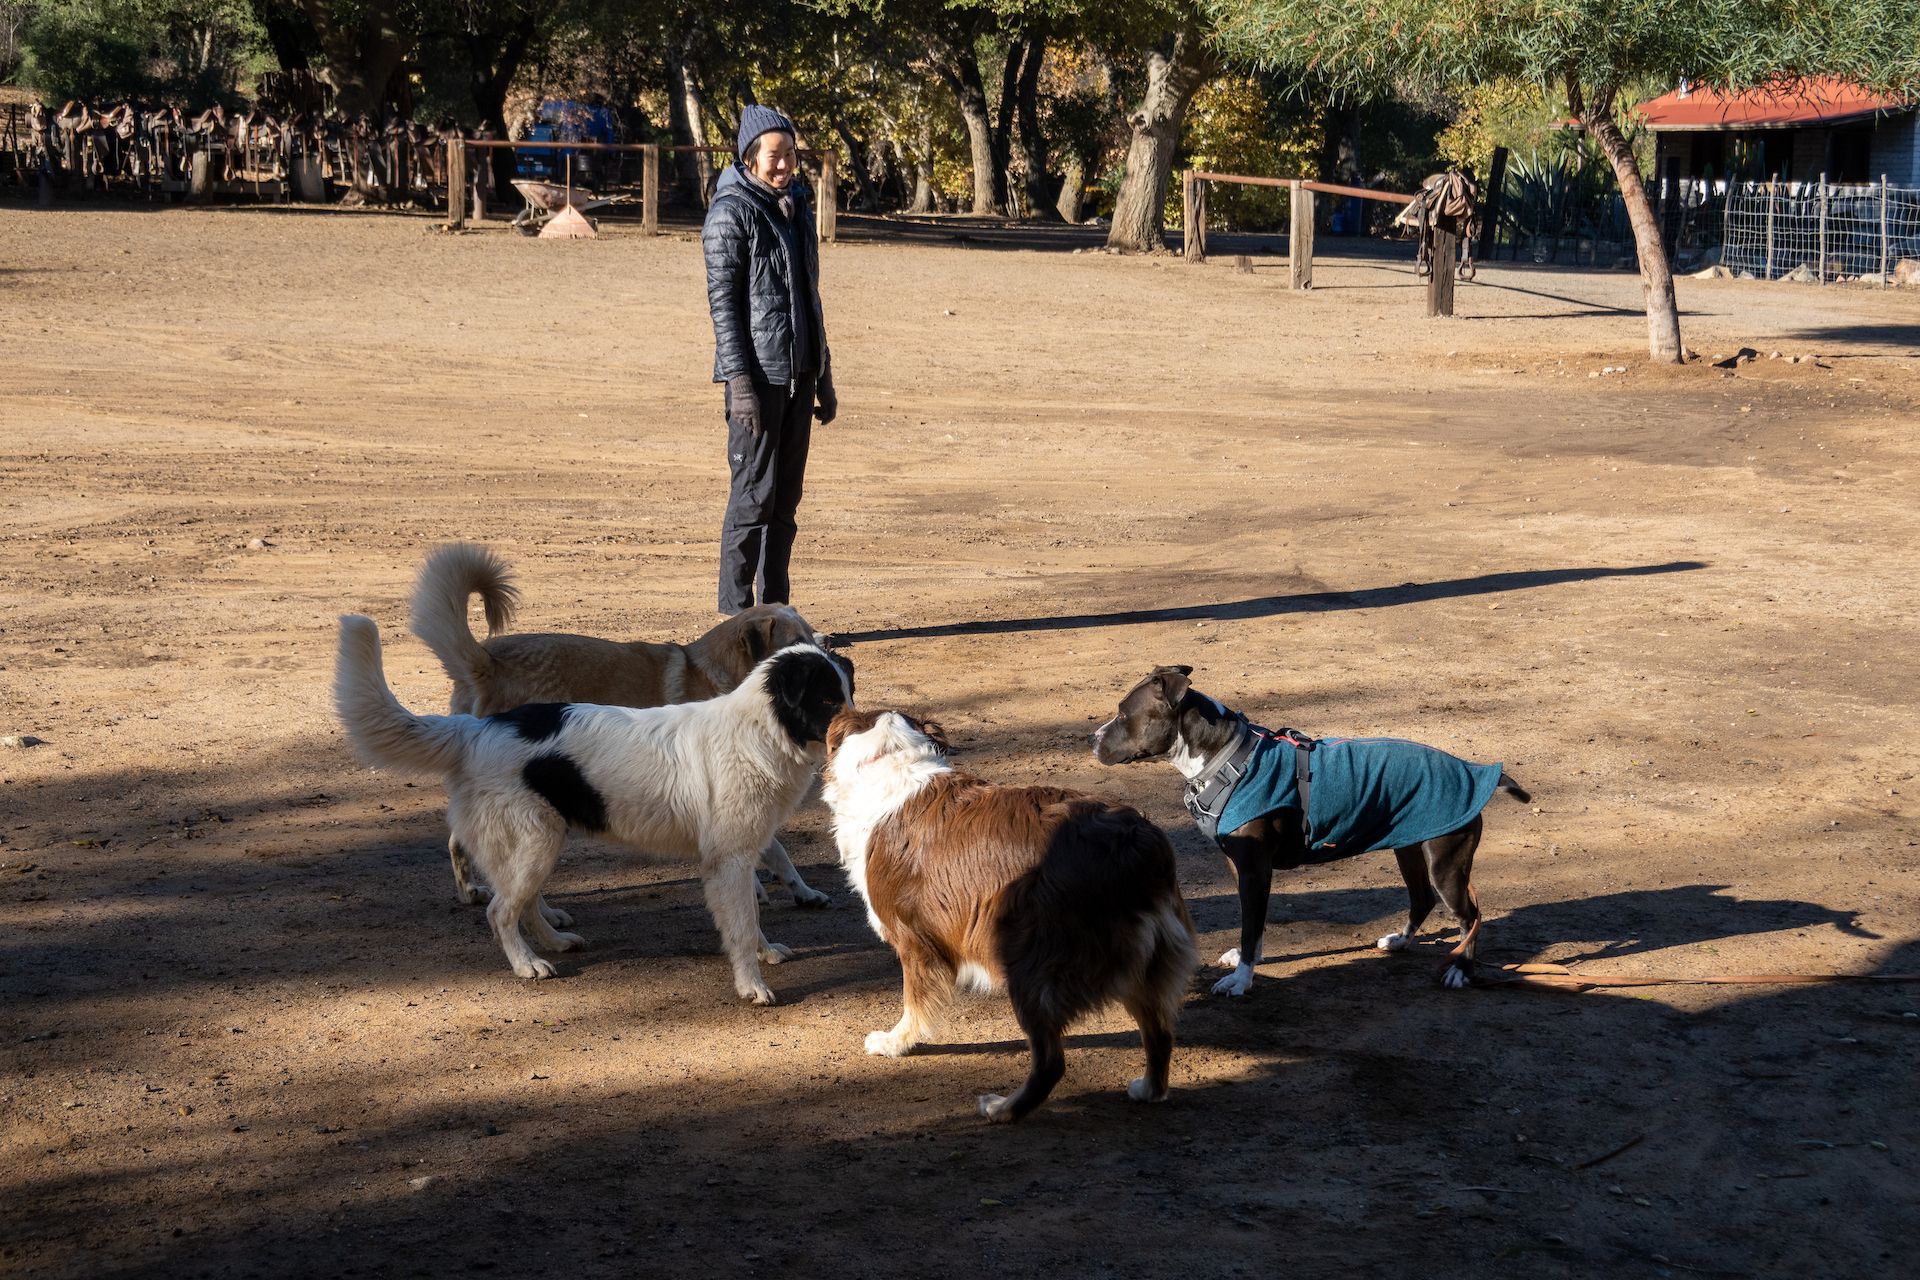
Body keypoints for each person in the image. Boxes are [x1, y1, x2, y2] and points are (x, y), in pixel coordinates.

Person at [702, 105, 836, 616]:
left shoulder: (796, 207)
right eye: (775, 157)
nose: (784, 166)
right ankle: (736, 620)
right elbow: (724, 308)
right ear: (750, 157)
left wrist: (823, 375)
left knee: (785, 503)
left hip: (797, 376)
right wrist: (739, 384)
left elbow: (810, 299)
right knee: (751, 500)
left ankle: (776, 613)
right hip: (756, 381)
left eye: (790, 156)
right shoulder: (730, 211)